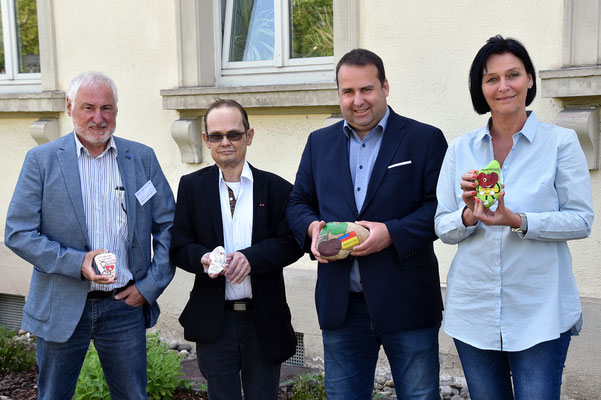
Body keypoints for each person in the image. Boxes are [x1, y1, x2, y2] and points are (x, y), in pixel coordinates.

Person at [435, 35, 594, 400]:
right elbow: (442, 225)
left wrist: (517, 220)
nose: (503, 86)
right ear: (480, 88)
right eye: (492, 78)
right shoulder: (461, 148)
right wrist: (468, 216)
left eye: (513, 75)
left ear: (530, 80)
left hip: (540, 311)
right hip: (474, 309)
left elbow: (581, 220)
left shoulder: (561, 143)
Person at [286, 48, 448, 400]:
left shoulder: (424, 139)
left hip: (407, 301)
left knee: (420, 396)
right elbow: (298, 202)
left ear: (385, 87)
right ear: (340, 94)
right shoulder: (319, 143)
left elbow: (439, 209)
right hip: (342, 304)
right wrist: (313, 230)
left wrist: (391, 233)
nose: (358, 100)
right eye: (348, 91)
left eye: (367, 89)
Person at [4, 71, 175, 400]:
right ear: (69, 107)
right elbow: (18, 232)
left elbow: (168, 223)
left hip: (124, 305)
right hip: (62, 302)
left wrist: (150, 285)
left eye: (106, 108)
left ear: (116, 110)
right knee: (53, 395)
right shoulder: (41, 161)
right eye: (88, 107)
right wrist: (76, 262)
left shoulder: (141, 158)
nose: (99, 118)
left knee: (133, 396)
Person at [170, 99, 303, 400]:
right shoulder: (192, 186)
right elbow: (178, 246)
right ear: (206, 140)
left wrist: (251, 258)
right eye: (216, 136)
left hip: (263, 318)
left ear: (249, 136)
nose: (225, 142)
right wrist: (202, 258)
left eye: (234, 134)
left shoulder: (277, 188)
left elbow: (293, 243)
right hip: (214, 320)